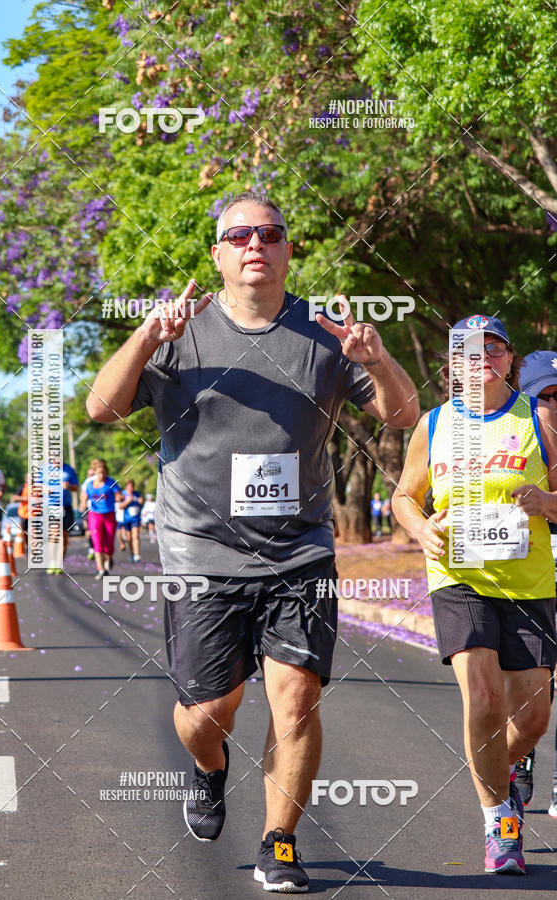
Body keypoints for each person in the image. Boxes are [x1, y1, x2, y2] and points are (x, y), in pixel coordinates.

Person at [87, 190, 418, 892]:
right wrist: (147, 336)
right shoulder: (182, 333)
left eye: (269, 233)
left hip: (299, 550)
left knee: (295, 697)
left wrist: (378, 359)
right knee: (209, 713)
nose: (254, 245)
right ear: (218, 254)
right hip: (201, 553)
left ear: (288, 249)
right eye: (239, 235)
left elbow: (401, 416)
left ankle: (280, 841)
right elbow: (102, 408)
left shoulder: (326, 334)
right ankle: (210, 771)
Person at [392, 315, 557, 876]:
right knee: (484, 701)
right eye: (467, 349)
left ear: (510, 359)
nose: (481, 356)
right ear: (452, 363)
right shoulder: (434, 423)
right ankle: (498, 823)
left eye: (494, 347)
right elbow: (404, 497)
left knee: (532, 718)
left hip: (529, 583)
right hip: (458, 576)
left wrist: (546, 501)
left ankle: (505, 766)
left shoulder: (540, 418)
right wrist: (420, 529)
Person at [515, 350, 557, 818]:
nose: (553, 403)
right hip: (527, 569)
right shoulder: (513, 437)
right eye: (543, 395)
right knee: (534, 680)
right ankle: (520, 753)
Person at [79, 459, 122, 580]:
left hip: (109, 515)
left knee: (109, 544)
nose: (101, 475)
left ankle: (109, 558)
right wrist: (82, 503)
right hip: (95, 516)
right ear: (95, 473)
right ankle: (100, 569)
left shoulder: (111, 482)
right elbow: (83, 496)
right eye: (99, 473)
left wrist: (119, 497)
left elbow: (119, 494)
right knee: (97, 542)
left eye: (103, 473)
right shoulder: (89, 484)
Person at [46, 461, 79, 574]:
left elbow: (76, 487)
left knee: (64, 535)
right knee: (54, 533)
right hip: (52, 505)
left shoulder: (69, 469)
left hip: (66, 506)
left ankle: (60, 562)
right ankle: (52, 561)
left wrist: (69, 486)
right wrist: (45, 489)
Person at [121, 479, 143, 562]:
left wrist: (137, 500)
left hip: (135, 519)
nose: (130, 488)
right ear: (126, 487)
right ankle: (132, 553)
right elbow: (120, 506)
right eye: (129, 486)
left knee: (135, 535)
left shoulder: (137, 494)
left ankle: (137, 555)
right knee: (129, 538)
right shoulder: (123, 494)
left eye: (132, 486)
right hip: (127, 519)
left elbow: (141, 502)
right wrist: (127, 501)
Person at [11, 473, 29, 553]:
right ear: (26, 479)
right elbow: (14, 498)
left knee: (35, 531)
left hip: (36, 514)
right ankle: (27, 546)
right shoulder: (22, 487)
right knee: (25, 532)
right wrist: (26, 498)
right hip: (24, 514)